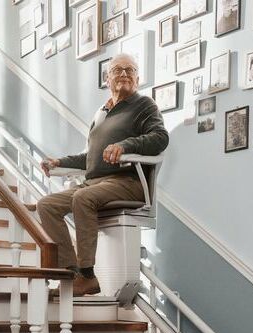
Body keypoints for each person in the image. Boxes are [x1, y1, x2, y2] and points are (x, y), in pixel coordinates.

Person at [37, 54, 169, 296]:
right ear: (107, 78)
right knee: (46, 205)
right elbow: (89, 157)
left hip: (127, 181)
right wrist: (59, 162)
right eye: (118, 70)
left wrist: (126, 145)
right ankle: (72, 273)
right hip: (93, 182)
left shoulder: (144, 105)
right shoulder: (101, 112)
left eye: (130, 70)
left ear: (137, 79)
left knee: (82, 198)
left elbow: (160, 138)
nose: (124, 74)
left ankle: (88, 276)